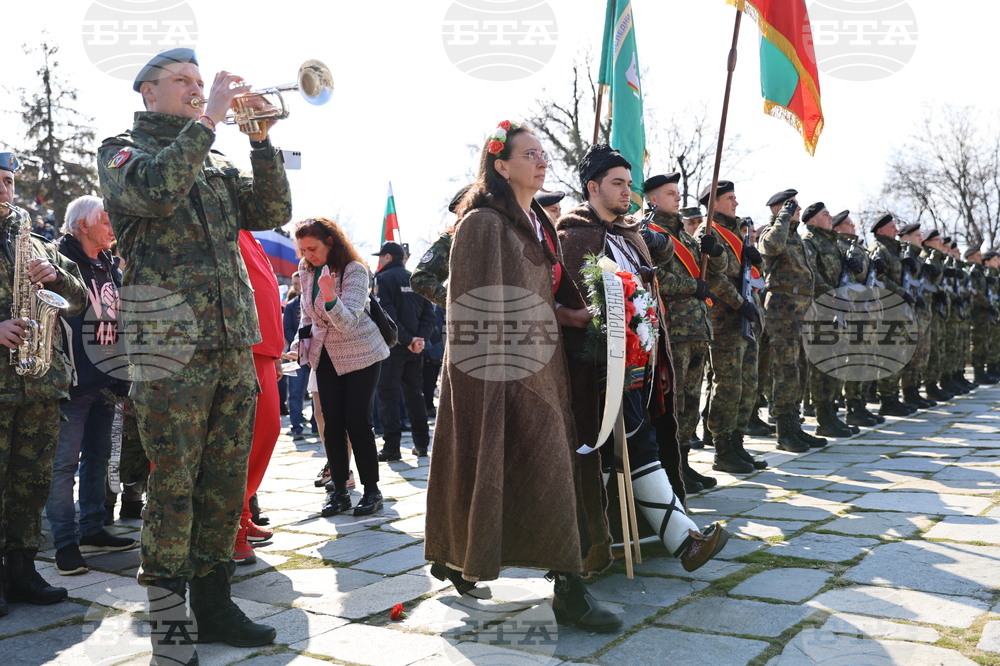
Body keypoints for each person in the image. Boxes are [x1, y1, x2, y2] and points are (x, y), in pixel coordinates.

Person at [97, 48, 290, 659]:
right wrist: (207, 121)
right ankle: (167, 616)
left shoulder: (217, 160)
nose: (196, 89)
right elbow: (154, 193)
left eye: (200, 83)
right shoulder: (122, 151)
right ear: (148, 92)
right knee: (174, 482)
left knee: (223, 482)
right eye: (182, 81)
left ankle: (214, 603)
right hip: (170, 345)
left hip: (233, 340)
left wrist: (260, 141)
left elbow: (272, 213)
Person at [425, 123, 620, 633]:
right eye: (529, 154)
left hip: (545, 368)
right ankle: (570, 592)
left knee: (542, 471)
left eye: (543, 153)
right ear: (501, 165)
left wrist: (567, 314)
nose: (542, 161)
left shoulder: (537, 221)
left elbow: (533, 292)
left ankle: (460, 553)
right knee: (519, 467)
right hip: (499, 375)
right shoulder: (481, 224)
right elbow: (468, 310)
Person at [558, 146, 729, 573]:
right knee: (604, 454)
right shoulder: (574, 234)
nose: (626, 192)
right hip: (594, 370)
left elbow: (654, 274)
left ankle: (605, 545)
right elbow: (569, 299)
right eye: (617, 183)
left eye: (628, 183)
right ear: (592, 187)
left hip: (642, 365)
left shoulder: (631, 233)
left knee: (634, 447)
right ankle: (591, 548)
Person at [0, 150, 86, 615]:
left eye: (9, 181)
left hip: (40, 380)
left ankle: (22, 570)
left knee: (30, 482)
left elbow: (76, 298)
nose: (3, 189)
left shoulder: (35, 240)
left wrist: (57, 274)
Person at [47, 196, 135, 578]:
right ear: (82, 225)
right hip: (73, 382)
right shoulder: (57, 261)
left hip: (107, 380)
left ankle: (93, 529)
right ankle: (65, 544)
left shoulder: (107, 264)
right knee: (64, 464)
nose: (112, 227)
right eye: (104, 220)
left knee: (98, 458)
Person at [293, 218, 389, 518]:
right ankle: (339, 490)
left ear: (330, 242)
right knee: (331, 423)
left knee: (356, 421)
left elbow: (348, 323)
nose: (308, 255)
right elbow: (308, 315)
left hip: (361, 352)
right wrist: (300, 342)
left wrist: (330, 295)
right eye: (303, 249)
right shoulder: (305, 269)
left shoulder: (355, 270)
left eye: (313, 248)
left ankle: (372, 490)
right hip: (325, 356)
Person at [643, 172, 735, 485]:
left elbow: (713, 272)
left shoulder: (683, 234)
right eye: (671, 193)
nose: (678, 198)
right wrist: (691, 286)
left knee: (691, 402)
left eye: (678, 193)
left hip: (697, 328)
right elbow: (654, 278)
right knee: (674, 403)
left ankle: (683, 463)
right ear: (653, 199)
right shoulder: (649, 233)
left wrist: (717, 251)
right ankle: (669, 468)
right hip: (674, 330)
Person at [699, 181, 768, 471]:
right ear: (713, 203)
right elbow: (715, 278)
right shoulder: (710, 233)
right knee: (727, 385)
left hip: (745, 318)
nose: (735, 203)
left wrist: (757, 261)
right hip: (725, 319)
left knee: (747, 384)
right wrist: (740, 304)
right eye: (730, 198)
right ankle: (722, 448)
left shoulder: (739, 233)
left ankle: (737, 443)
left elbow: (749, 275)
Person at [757, 190, 827, 453]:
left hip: (803, 310)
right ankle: (784, 431)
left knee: (799, 369)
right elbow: (772, 247)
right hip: (782, 311)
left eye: (795, 206)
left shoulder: (798, 239)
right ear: (778, 209)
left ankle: (795, 427)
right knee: (785, 370)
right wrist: (783, 217)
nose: (797, 210)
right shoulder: (771, 233)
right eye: (791, 206)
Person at [232, 230, 284, 565]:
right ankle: (230, 530)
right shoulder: (218, 222)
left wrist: (275, 352)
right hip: (241, 348)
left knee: (265, 433)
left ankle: (244, 513)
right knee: (238, 443)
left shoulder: (249, 234)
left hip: (262, 349)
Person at [801, 202, 864, 437]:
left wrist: (854, 267)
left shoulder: (835, 244)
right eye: (825, 215)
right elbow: (812, 275)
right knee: (823, 366)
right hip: (822, 311)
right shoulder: (810, 242)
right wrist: (834, 295)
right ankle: (823, 417)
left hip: (839, 310)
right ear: (812, 220)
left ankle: (832, 414)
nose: (830, 218)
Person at [373, 241, 434, 460]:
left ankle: (392, 448)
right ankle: (422, 444)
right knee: (414, 394)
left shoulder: (382, 279)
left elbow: (386, 315)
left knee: (388, 396)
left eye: (381, 256)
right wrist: (419, 340)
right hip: (414, 348)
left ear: (388, 257)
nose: (378, 260)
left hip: (393, 347)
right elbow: (429, 314)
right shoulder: (416, 278)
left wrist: (408, 340)